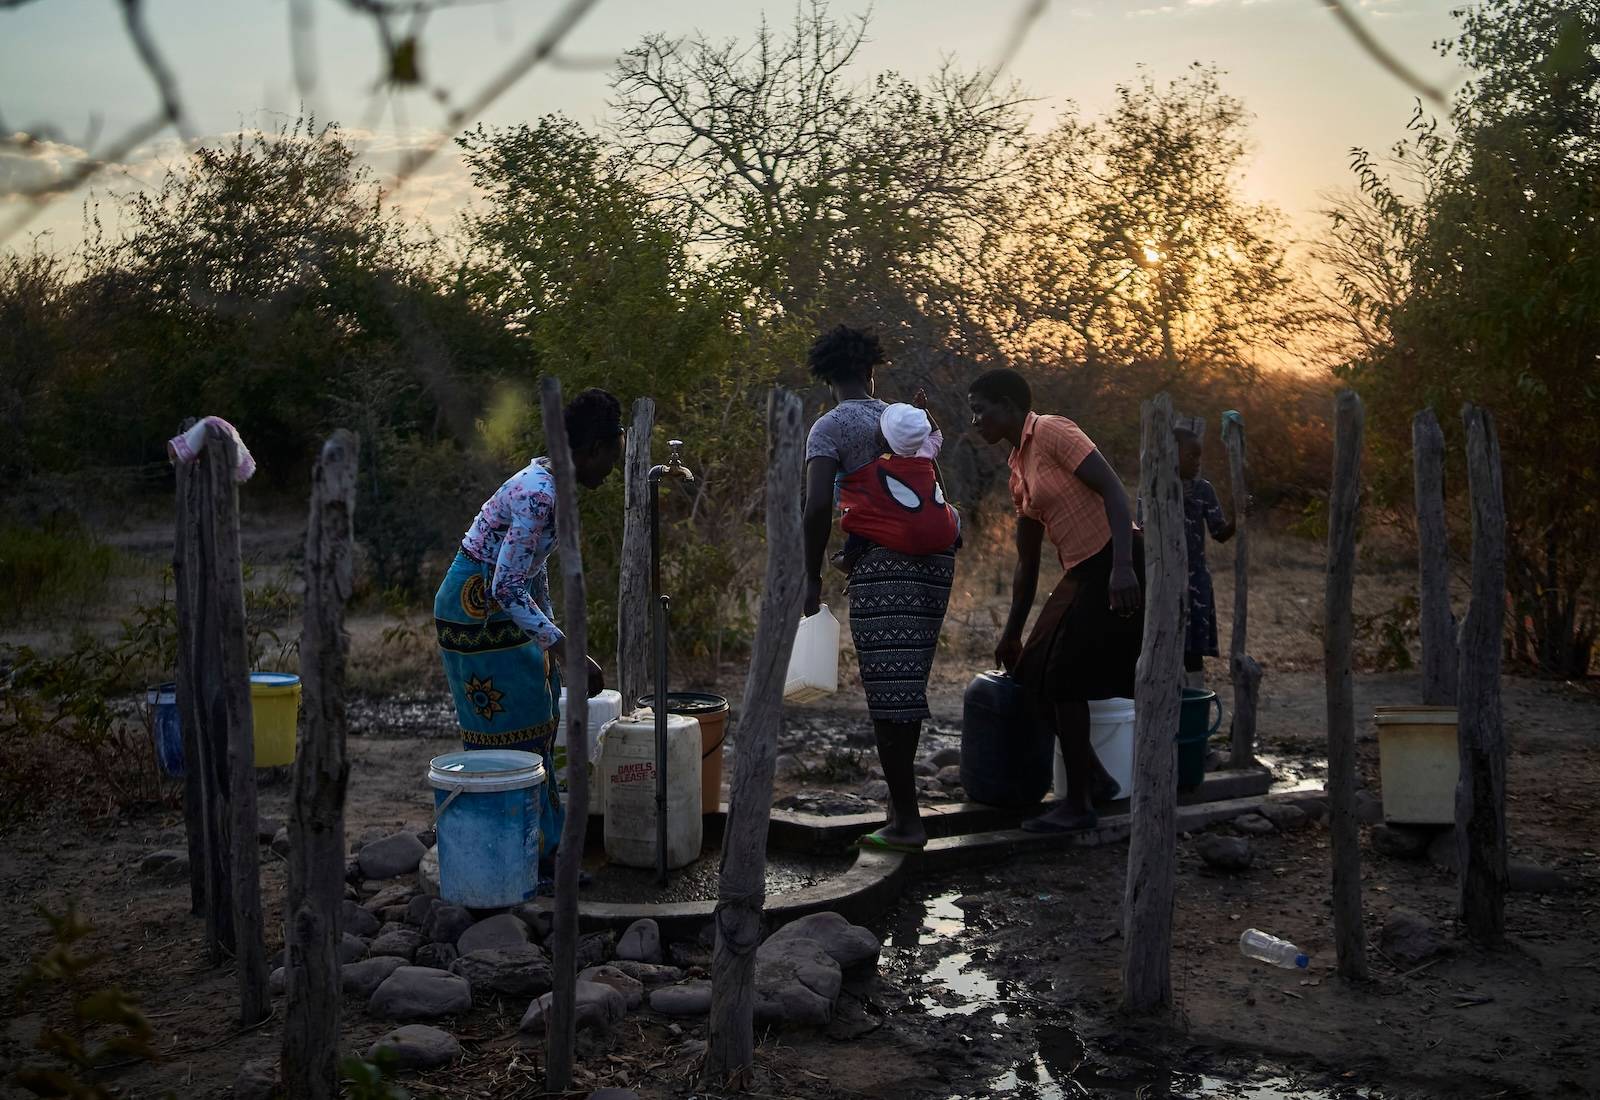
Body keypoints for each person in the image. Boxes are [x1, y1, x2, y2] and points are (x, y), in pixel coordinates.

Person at [433, 387, 621, 875]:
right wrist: (564, 649)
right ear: (595, 448)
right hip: (475, 607)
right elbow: (506, 584)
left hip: (504, 606)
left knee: (537, 722)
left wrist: (558, 641)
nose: (614, 467)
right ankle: (513, 858)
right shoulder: (540, 494)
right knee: (509, 735)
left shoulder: (553, 483)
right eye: (614, 454)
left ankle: (540, 850)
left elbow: (532, 574)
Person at [802, 326, 958, 852]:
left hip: (889, 566)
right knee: (906, 682)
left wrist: (810, 576)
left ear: (827, 376)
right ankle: (901, 807)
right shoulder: (901, 418)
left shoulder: (830, 426)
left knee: (889, 690)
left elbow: (818, 505)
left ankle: (907, 821)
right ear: (873, 369)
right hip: (937, 558)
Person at [969, 368, 1143, 833]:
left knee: (1064, 676)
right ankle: (1099, 782)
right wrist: (1011, 633)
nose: (975, 420)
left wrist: (1124, 567)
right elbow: (1027, 564)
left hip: (1117, 557)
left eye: (980, 409)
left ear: (1008, 405)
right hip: (1082, 569)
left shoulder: (1051, 431)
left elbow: (1113, 490)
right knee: (1029, 673)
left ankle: (1079, 804)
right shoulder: (1016, 470)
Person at [831, 393, 959, 575]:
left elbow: (850, 492)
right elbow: (937, 435)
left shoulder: (878, 467)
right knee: (953, 513)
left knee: (858, 519)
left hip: (910, 536)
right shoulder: (925, 451)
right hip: (942, 532)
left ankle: (849, 560)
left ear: (883, 441)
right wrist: (924, 411)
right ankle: (957, 539)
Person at [1176, 426, 1236, 686]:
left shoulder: (1203, 490)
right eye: (1191, 456)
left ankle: (1195, 700)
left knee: (1194, 650)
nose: (1197, 462)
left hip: (1196, 583)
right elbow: (1144, 532)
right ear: (1171, 455)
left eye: (1199, 457)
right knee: (1168, 643)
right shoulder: (1154, 489)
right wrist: (1175, 498)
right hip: (1167, 582)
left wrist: (1238, 517)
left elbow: (1219, 533)